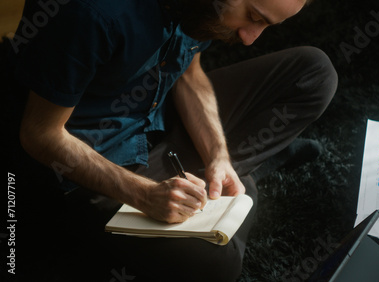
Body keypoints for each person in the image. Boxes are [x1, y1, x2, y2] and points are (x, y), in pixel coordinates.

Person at [6, 0, 337, 280]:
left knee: (315, 72)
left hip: (156, 117)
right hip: (93, 166)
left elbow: (188, 73)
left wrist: (218, 156)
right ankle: (248, 177)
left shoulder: (196, 8)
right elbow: (39, 134)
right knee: (218, 266)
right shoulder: (93, 15)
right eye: (253, 16)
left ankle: (229, 177)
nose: (251, 38)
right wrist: (146, 195)